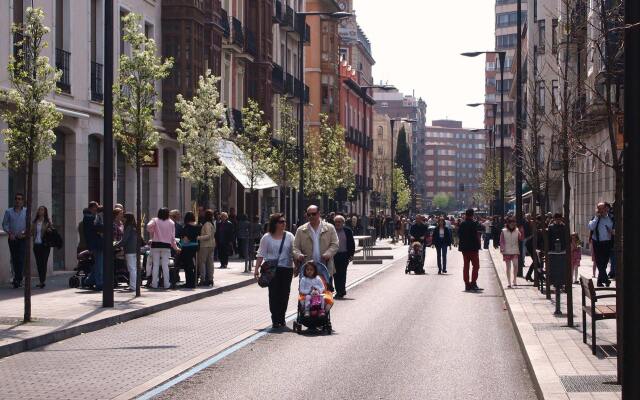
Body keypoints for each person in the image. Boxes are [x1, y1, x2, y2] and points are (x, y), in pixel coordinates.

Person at [254, 213, 295, 328]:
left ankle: (282, 317)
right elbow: (260, 254)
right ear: (275, 223)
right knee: (274, 294)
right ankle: (275, 318)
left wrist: (297, 265)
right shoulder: (267, 237)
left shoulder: (290, 236)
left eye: (284, 221)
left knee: (285, 294)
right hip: (271, 270)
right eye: (281, 222)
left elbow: (294, 251)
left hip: (287, 268)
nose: (284, 224)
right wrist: (256, 269)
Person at [293, 205, 339, 280]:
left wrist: (328, 253)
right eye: (309, 214)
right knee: (306, 291)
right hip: (307, 269)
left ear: (319, 214)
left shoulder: (330, 228)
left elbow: (335, 244)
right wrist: (298, 255)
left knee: (325, 291)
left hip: (325, 268)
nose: (311, 216)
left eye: (313, 214)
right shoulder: (301, 230)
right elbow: (295, 247)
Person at [147, 208, 179, 289]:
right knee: (165, 265)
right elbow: (172, 237)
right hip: (166, 246)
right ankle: (166, 284)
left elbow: (148, 227)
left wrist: (153, 228)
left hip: (156, 245)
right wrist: (176, 247)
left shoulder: (155, 220)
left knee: (156, 265)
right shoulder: (171, 223)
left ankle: (154, 284)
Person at [3, 193, 28, 288]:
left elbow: (29, 224)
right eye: (17, 199)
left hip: (22, 238)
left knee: (21, 258)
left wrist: (24, 233)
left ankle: (18, 279)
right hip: (12, 238)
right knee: (14, 259)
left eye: (20, 199)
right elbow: (5, 224)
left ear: (22, 201)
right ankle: (17, 278)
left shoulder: (26, 211)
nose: (18, 200)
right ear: (15, 200)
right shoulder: (8, 211)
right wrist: (10, 233)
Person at [588, 203, 613, 287]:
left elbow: (615, 229)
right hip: (597, 242)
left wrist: (612, 231)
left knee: (604, 263)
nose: (600, 210)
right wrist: (596, 218)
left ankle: (600, 281)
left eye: (602, 208)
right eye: (599, 209)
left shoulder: (610, 218)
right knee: (599, 262)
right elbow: (591, 227)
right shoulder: (595, 218)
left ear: (606, 209)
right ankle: (605, 280)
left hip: (607, 242)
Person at [458, 208, 484, 291]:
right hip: (473, 248)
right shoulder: (475, 223)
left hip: (464, 249)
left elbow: (459, 235)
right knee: (476, 266)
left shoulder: (462, 224)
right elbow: (482, 229)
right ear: (473, 215)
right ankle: (473, 283)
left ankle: (467, 284)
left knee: (466, 266)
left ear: (466, 214)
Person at [332, 215, 355, 299]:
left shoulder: (347, 231)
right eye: (336, 222)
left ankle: (341, 291)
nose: (337, 223)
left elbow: (351, 243)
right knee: (335, 274)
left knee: (342, 273)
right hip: (334, 255)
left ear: (343, 223)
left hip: (344, 255)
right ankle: (339, 291)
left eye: (339, 222)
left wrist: (351, 255)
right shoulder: (332, 231)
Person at [83, 201, 104, 290]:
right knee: (99, 264)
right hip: (95, 244)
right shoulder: (89, 218)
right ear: (91, 208)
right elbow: (97, 227)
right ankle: (99, 283)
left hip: (99, 243)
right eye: (96, 207)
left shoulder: (94, 217)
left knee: (99, 264)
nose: (97, 208)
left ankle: (89, 280)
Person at [500, 217, 524, 288]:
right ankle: (509, 282)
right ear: (509, 223)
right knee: (508, 267)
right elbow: (501, 240)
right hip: (506, 251)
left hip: (515, 250)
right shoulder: (503, 231)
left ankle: (514, 280)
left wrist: (522, 232)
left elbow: (521, 238)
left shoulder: (517, 231)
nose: (513, 224)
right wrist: (502, 248)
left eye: (514, 223)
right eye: (512, 223)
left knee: (516, 266)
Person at [32, 205, 52, 289]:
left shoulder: (48, 222)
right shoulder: (35, 221)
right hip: (36, 244)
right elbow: (31, 231)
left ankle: (42, 281)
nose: (40, 211)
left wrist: (49, 230)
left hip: (45, 245)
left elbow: (52, 232)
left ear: (45, 212)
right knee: (39, 263)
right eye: (39, 209)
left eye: (42, 210)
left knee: (43, 263)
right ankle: (41, 280)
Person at [117, 213, 138, 291]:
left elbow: (124, 240)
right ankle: (135, 285)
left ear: (127, 218)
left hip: (129, 250)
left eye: (124, 218)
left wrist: (116, 245)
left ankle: (133, 286)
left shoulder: (128, 227)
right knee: (134, 268)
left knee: (131, 268)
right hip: (135, 250)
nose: (123, 219)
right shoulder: (134, 227)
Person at [180, 211, 201, 288]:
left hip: (187, 247)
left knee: (187, 265)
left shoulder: (186, 227)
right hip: (195, 246)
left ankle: (189, 282)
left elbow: (185, 238)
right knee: (193, 265)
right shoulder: (198, 226)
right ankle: (194, 281)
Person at [197, 209, 216, 286]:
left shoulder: (207, 224)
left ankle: (203, 279)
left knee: (203, 262)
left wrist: (198, 237)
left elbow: (207, 236)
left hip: (205, 245)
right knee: (210, 263)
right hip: (211, 245)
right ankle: (210, 279)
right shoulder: (212, 224)